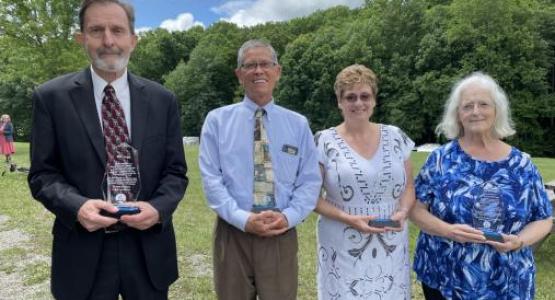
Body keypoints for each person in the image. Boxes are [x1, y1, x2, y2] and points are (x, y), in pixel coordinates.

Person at [28, 1, 188, 299]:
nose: (108, 40)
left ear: (133, 39)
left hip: (148, 250)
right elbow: (42, 175)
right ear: (81, 38)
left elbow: (175, 172)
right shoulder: (51, 98)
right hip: (81, 250)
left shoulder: (163, 100)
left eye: (117, 30)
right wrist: (77, 207)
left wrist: (158, 208)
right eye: (96, 30)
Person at [410, 72, 553, 300]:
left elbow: (544, 218)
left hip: (507, 280)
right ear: (458, 114)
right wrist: (449, 231)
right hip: (445, 277)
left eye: (483, 104)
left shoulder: (521, 164)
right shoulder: (440, 159)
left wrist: (520, 241)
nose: (476, 111)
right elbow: (415, 210)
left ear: (496, 111)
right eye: (467, 106)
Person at [199, 39, 321, 300]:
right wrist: (244, 220)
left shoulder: (298, 124)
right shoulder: (217, 120)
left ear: (278, 71)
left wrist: (288, 217)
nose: (258, 71)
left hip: (281, 232)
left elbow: (310, 180)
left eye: (265, 64)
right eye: (250, 65)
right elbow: (211, 180)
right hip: (233, 232)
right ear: (239, 74)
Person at [314, 64, 416, 299]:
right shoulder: (323, 141)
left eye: (364, 96)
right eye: (350, 97)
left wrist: (403, 211)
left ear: (374, 100)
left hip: (391, 240)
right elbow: (311, 198)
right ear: (339, 102)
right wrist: (349, 218)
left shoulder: (396, 137)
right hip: (342, 239)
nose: (358, 103)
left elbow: (409, 187)